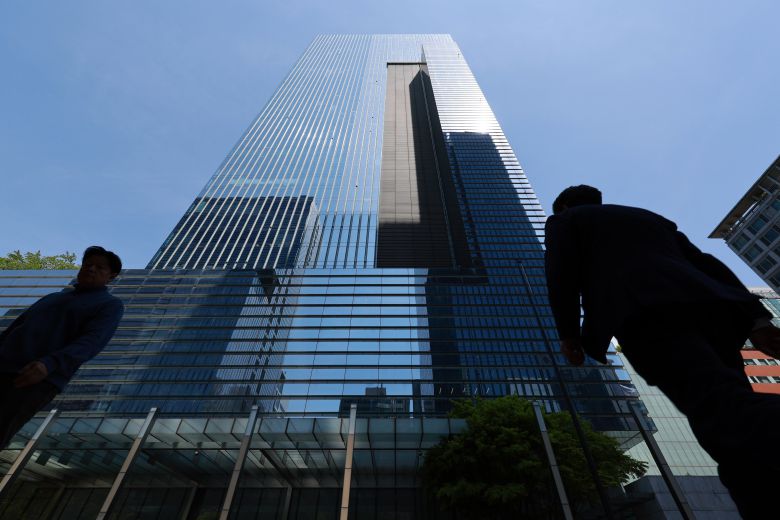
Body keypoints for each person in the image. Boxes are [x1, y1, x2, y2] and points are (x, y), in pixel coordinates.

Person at [544, 185, 780, 519]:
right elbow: (707, 263)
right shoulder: (648, 218)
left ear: (564, 206)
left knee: (718, 407)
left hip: (645, 311)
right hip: (715, 313)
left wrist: (569, 334)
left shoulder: (565, 221)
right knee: (720, 420)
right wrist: (757, 320)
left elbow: (560, 274)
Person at [0, 246, 124, 449]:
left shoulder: (110, 305)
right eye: (88, 264)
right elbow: (14, 328)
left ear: (111, 276)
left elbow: (91, 342)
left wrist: (50, 364)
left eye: (100, 267)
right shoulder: (52, 297)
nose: (91, 269)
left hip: (37, 378)